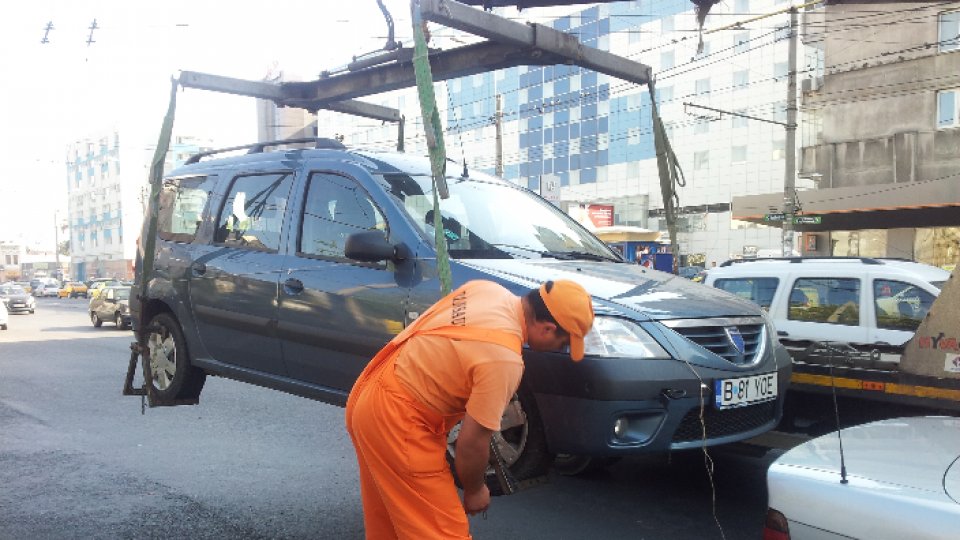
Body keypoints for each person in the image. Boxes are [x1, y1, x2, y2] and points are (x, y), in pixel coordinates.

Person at [345, 279, 594, 539]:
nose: (562, 349)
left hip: (372, 391)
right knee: (443, 532)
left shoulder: (486, 289)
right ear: (546, 328)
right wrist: (475, 490)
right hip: (399, 423)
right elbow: (471, 443)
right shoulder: (503, 358)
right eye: (564, 342)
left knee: (390, 525)